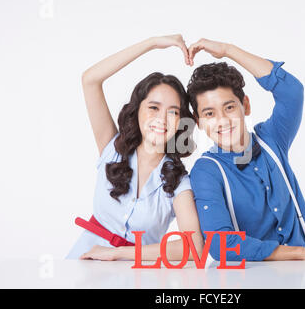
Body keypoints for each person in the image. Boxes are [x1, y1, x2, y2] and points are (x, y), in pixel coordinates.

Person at [187, 38, 305, 261]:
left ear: (245, 105)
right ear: (198, 122)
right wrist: (298, 253)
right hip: (252, 276)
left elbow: (291, 91)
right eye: (209, 114)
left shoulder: (272, 138)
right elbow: (220, 245)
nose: (222, 121)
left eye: (229, 107)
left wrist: (229, 50)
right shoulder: (206, 171)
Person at [66, 35, 204, 261]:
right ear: (136, 110)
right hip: (83, 266)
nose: (162, 118)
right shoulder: (112, 147)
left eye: (173, 112)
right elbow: (90, 79)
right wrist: (152, 44)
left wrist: (119, 253)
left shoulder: (178, 181)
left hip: (137, 276)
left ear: (181, 122)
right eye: (153, 107)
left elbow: (194, 247)